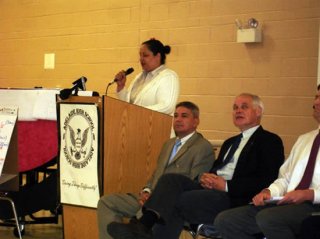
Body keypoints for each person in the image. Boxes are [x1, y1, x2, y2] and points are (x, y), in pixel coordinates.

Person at [107, 93, 285, 239]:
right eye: (235, 108)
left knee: (178, 200)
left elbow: (266, 179)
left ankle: (142, 228)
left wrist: (226, 185)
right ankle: (142, 226)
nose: (238, 111)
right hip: (211, 190)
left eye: (244, 107)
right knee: (170, 180)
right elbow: (215, 169)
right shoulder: (230, 142)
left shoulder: (269, 141)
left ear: (259, 111)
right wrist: (204, 177)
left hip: (233, 197)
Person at [97, 101, 214, 239]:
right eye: (176, 116)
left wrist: (157, 198)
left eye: (184, 116)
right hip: (149, 198)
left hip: (168, 206)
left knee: (147, 216)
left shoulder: (202, 147)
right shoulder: (168, 144)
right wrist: (146, 191)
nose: (178, 119)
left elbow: (194, 184)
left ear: (196, 121)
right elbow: (156, 174)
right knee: (106, 202)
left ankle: (138, 226)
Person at [214, 86, 320, 239]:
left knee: (269, 219)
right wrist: (270, 191)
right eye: (315, 97)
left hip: (314, 205)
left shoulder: (270, 141)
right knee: (226, 220)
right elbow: (285, 177)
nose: (315, 102)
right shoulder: (305, 139)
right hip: (288, 203)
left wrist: (310, 194)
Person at [114, 38, 179, 115]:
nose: (141, 59)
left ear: (158, 56)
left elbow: (167, 107)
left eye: (145, 55)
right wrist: (121, 87)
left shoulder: (168, 76)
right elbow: (129, 104)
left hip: (156, 125)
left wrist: (137, 111)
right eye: (140, 55)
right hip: (134, 124)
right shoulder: (139, 77)